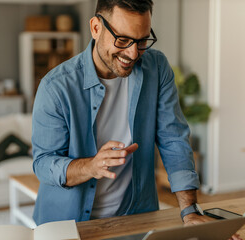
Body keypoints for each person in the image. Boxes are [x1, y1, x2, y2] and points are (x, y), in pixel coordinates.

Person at [31, 1, 242, 239]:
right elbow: (43, 163)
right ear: (96, 28)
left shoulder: (157, 68)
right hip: (67, 225)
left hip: (136, 220)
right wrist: (91, 166)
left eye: (142, 41)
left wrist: (190, 211)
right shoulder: (55, 86)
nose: (132, 54)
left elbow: (173, 139)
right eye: (122, 40)